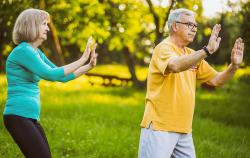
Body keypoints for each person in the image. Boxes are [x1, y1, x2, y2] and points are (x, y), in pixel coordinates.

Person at [138, 8, 244, 158]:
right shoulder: (163, 48)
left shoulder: (191, 54)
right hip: (159, 127)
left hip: (184, 130)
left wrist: (234, 66)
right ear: (175, 26)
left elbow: (217, 80)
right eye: (189, 25)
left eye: (195, 26)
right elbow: (174, 65)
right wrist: (206, 51)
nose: (194, 29)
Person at [3, 8, 97, 158]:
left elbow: (62, 77)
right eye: (44, 24)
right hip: (18, 115)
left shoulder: (36, 52)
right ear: (32, 25)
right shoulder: (23, 51)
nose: (47, 28)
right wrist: (82, 59)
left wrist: (88, 66)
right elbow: (50, 74)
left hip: (29, 116)